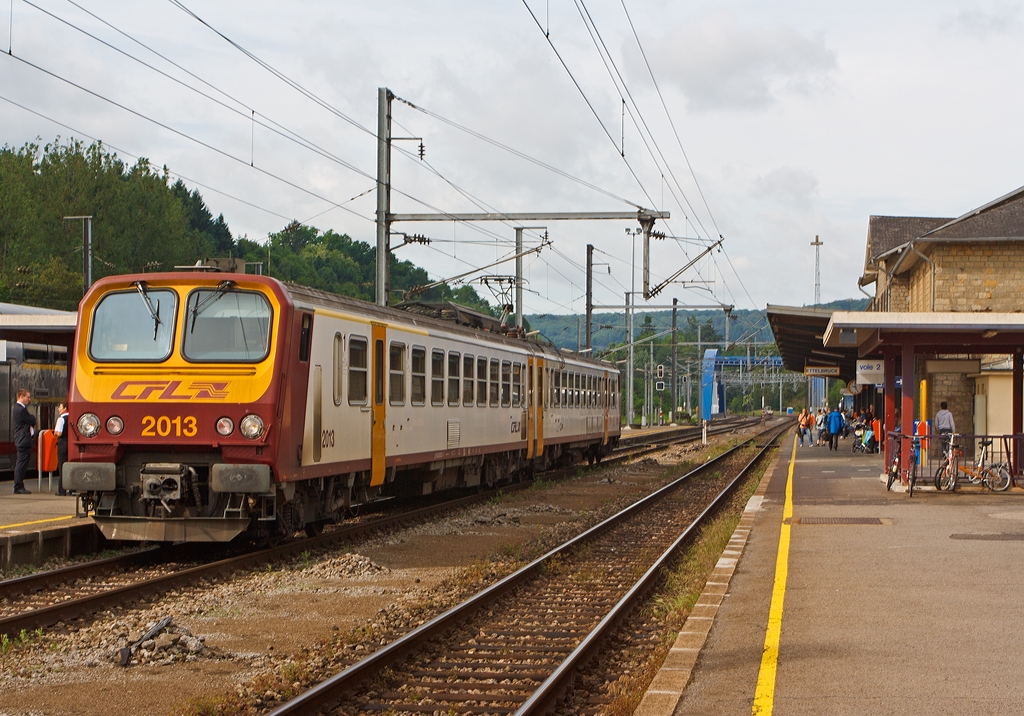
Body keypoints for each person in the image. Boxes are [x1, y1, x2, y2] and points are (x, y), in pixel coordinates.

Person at [12, 389, 36, 494]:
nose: (29, 399)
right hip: (23, 440)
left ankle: (19, 485)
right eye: (28, 397)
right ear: (21, 396)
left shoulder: (19, 408)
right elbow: (32, 420)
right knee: (21, 464)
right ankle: (18, 486)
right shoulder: (21, 409)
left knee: (22, 463)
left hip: (22, 439)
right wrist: (32, 418)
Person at [54, 403, 69, 496]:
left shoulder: (61, 419)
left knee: (62, 466)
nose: (58, 409)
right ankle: (72, 489)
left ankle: (61, 490)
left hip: (63, 443)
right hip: (71, 444)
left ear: (65, 408)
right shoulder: (72, 418)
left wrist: (55, 433)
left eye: (59, 407)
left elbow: (59, 433)